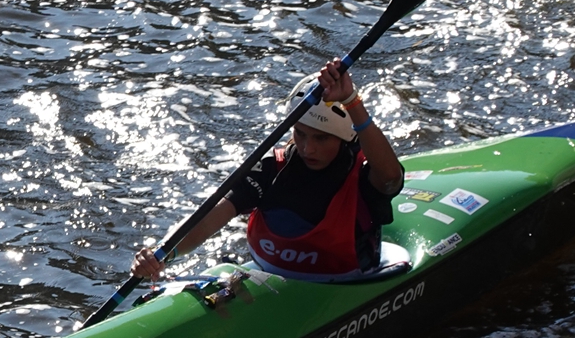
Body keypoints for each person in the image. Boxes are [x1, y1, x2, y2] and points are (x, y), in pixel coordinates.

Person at [132, 58, 404, 282]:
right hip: (271, 281)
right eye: (300, 134)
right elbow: (210, 217)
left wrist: (352, 101)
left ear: (345, 138)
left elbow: (391, 178)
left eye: (322, 139)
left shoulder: (363, 174)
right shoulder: (271, 168)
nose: (308, 149)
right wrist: (162, 254)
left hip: (346, 282)